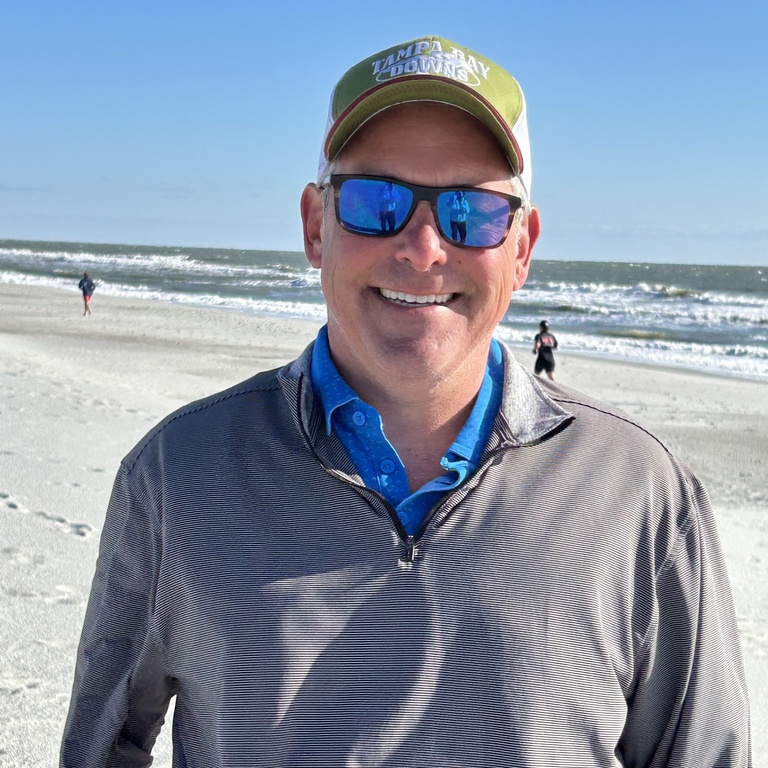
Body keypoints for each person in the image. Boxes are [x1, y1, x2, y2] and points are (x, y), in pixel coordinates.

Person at [60, 36, 752, 767]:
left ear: (521, 247)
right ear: (315, 226)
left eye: (472, 213)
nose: (423, 247)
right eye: (375, 201)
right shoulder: (177, 475)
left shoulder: (639, 492)